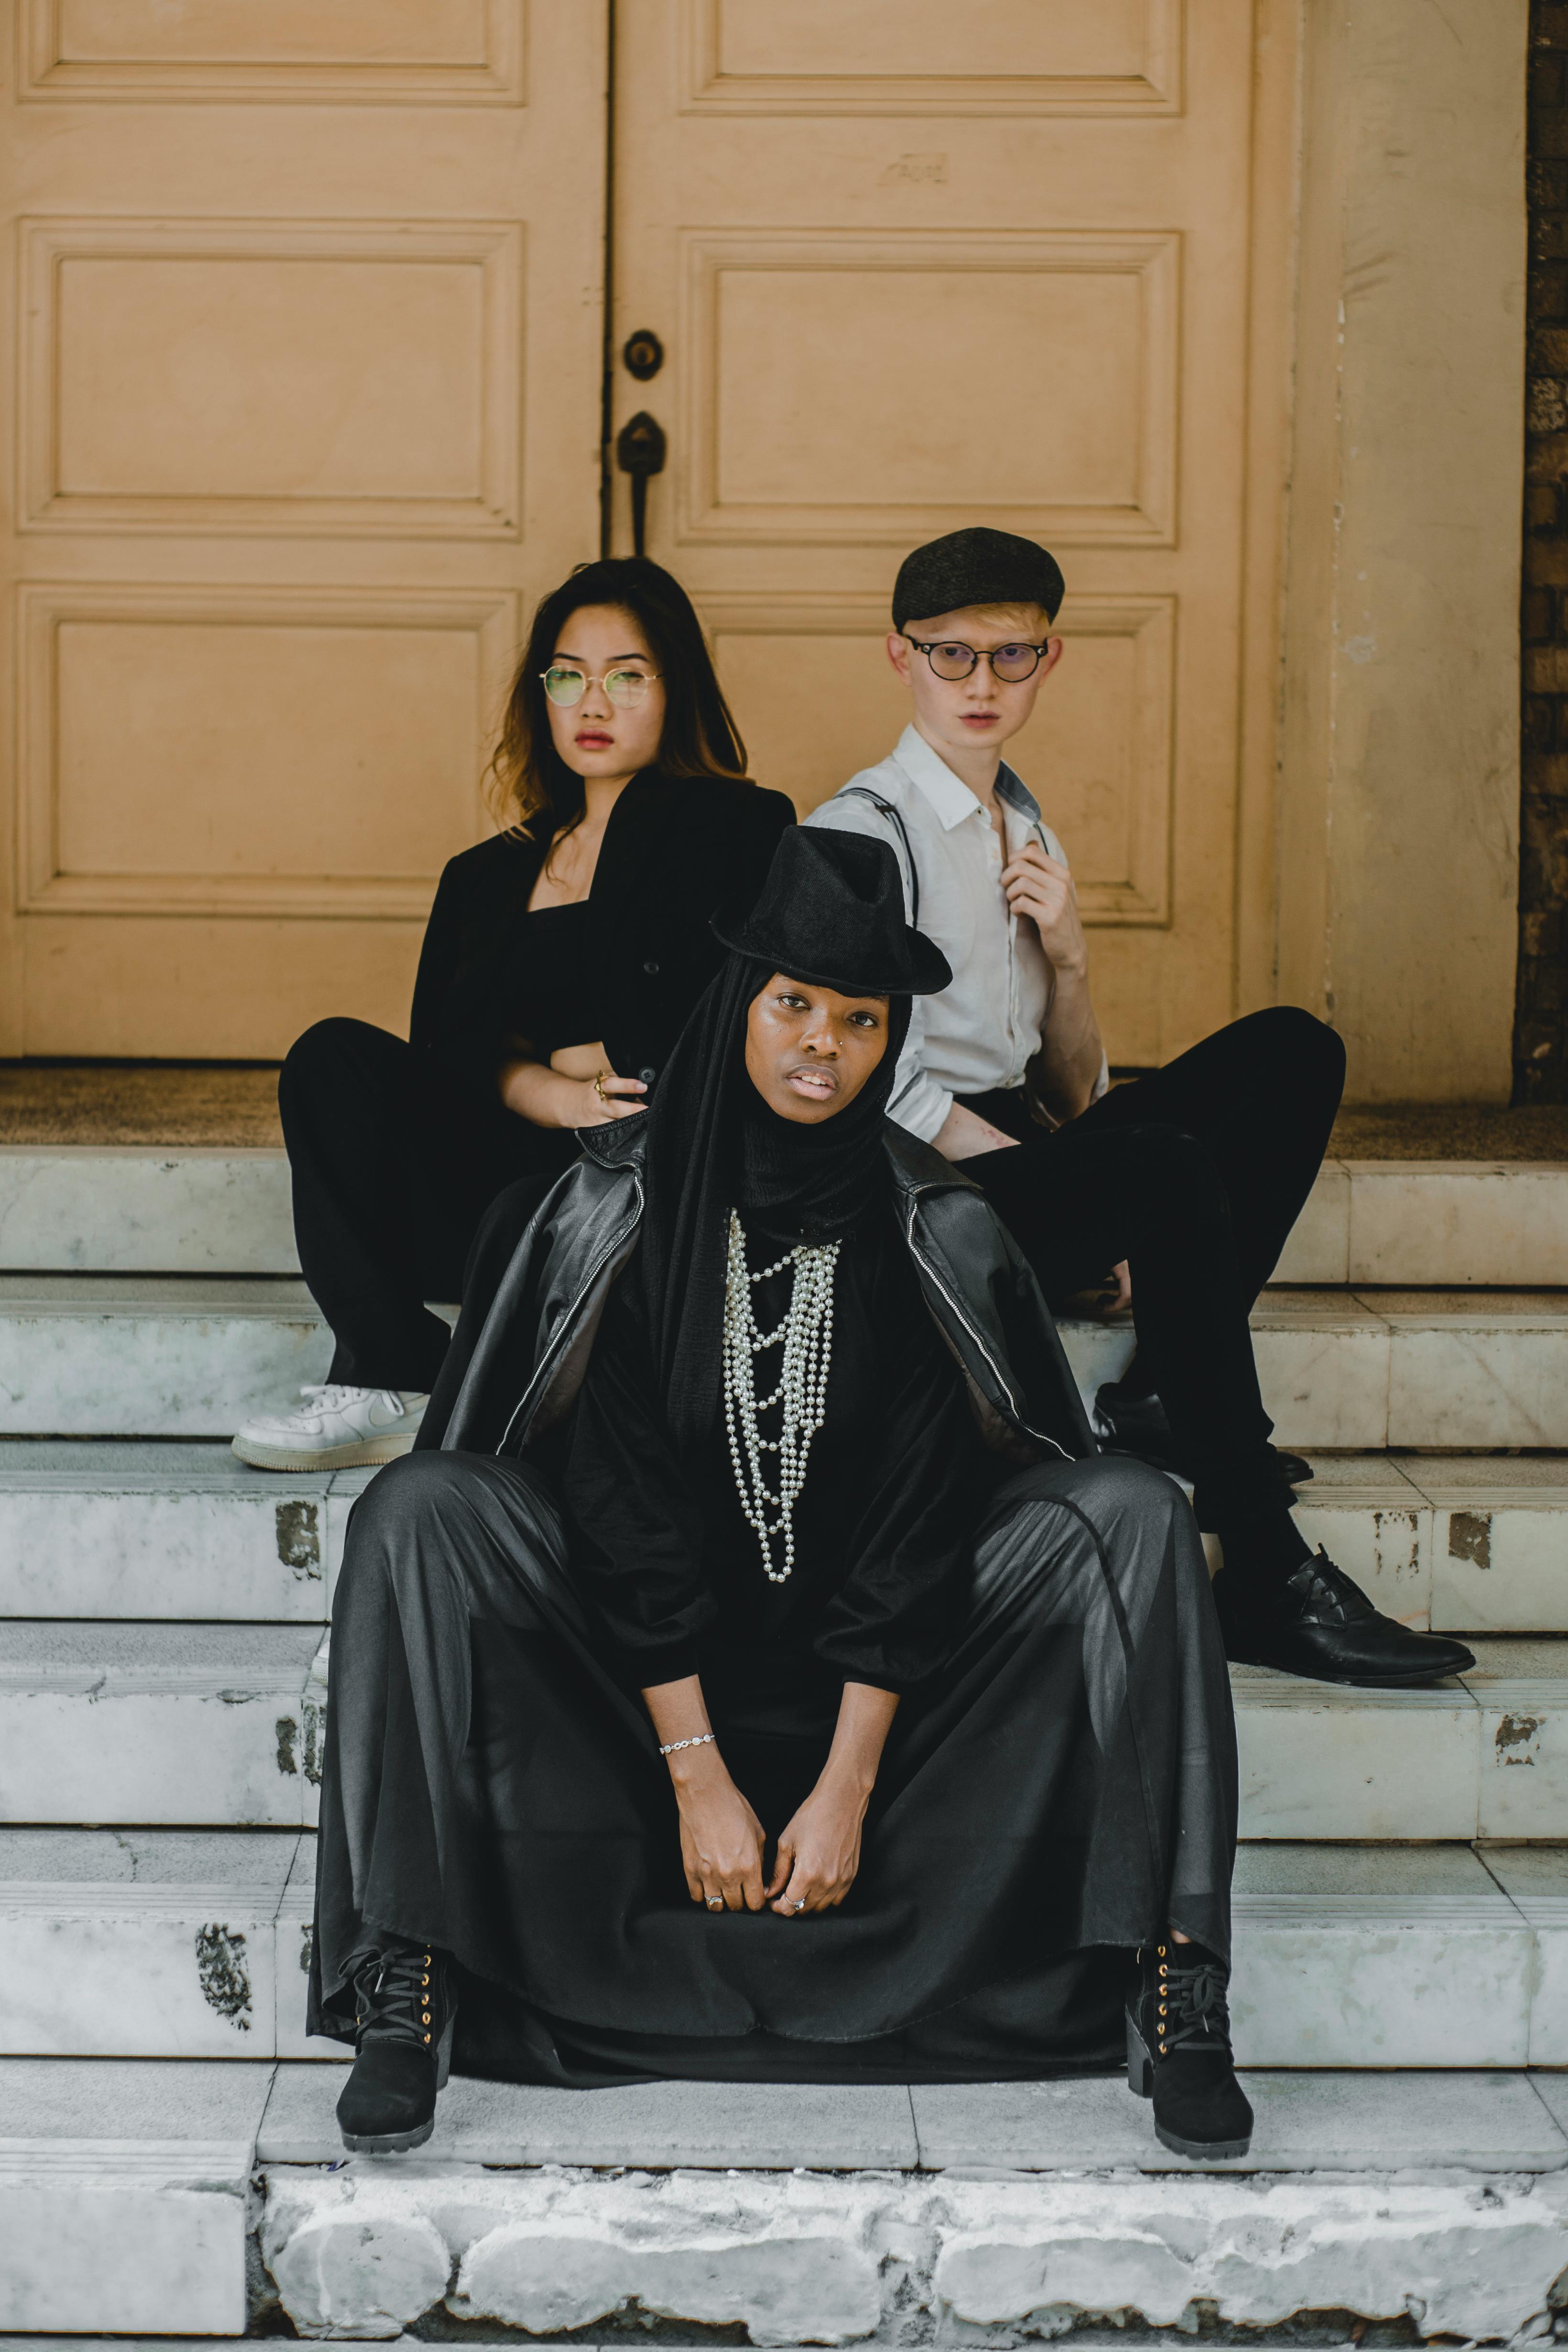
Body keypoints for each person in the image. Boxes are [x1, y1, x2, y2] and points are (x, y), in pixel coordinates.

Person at [309, 828, 1251, 2170]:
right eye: (793, 1002)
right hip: (632, 1689)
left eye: (861, 1018)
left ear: (891, 1039)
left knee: (1134, 1509)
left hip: (893, 1692)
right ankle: (409, 1970)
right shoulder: (611, 1202)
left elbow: (932, 1516)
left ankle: (1174, 1975)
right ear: (738, 999)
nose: (824, 1042)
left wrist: (847, 1783)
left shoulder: (937, 1223)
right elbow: (614, 1500)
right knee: (421, 1509)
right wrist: (697, 1775)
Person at [805, 527, 1473, 1692]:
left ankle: (1161, 1385)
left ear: (1047, 661)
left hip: (1015, 1135)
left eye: (1008, 658)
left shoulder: (1025, 822)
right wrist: (1057, 1184)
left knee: (1290, 1050)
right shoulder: (864, 832)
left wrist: (1064, 952)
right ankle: (1262, 1565)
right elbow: (863, 1078)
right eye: (950, 656)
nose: (979, 685)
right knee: (1159, 1166)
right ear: (898, 658)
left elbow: (1071, 1092)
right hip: (915, 1182)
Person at [232, 557, 792, 1472]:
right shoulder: (486, 875)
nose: (593, 703)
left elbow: (722, 1021)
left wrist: (570, 1060)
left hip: (654, 1183)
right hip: (508, 1181)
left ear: (675, 685)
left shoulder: (737, 830)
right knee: (331, 1056)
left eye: (628, 675)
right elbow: (449, 1063)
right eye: (567, 675)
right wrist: (559, 1090)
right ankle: (393, 1369)